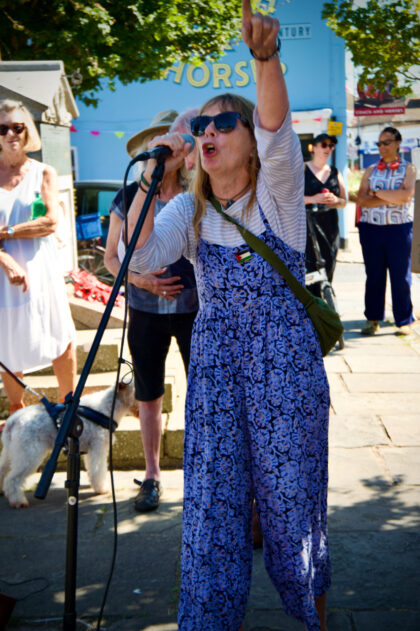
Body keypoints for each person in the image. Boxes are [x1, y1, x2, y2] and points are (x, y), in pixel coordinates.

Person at [123, 3, 330, 629]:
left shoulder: (278, 196)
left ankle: (314, 615)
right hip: (216, 374)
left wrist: (265, 60)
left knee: (293, 510)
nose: (207, 131)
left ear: (247, 140)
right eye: (199, 126)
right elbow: (137, 252)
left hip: (285, 375)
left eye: (222, 122)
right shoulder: (186, 211)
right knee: (211, 511)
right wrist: (155, 167)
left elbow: (276, 129)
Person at [104, 109, 199, 513]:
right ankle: (152, 474)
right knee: (148, 394)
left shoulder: (199, 192)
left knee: (205, 391)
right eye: (155, 143)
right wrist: (142, 281)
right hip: (144, 310)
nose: (163, 149)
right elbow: (111, 258)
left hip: (196, 309)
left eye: (170, 139)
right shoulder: (128, 197)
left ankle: (205, 473)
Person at [0, 99, 76, 417]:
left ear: (28, 130)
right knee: (7, 340)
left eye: (18, 127)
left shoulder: (44, 172)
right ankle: (17, 411)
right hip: (5, 274)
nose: (11, 134)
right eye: (2, 128)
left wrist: (8, 231)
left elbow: (50, 222)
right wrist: (5, 259)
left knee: (61, 333)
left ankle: (70, 406)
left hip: (42, 271)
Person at [356, 126, 416, 335]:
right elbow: (362, 199)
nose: (382, 147)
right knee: (374, 275)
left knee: (400, 276)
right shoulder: (371, 170)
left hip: (399, 229)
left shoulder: (408, 169)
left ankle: (404, 320)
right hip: (371, 229)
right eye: (379, 143)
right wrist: (392, 195)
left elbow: (406, 197)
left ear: (398, 143)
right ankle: (372, 318)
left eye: (386, 142)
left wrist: (378, 193)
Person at [304, 133, 347, 297]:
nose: (328, 148)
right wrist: (312, 199)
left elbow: (344, 202)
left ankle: (326, 306)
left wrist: (335, 200)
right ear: (313, 147)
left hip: (330, 227)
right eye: (324, 145)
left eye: (331, 145)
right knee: (311, 271)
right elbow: (290, 199)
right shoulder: (302, 169)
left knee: (328, 268)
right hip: (308, 227)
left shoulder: (335, 172)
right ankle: (312, 309)